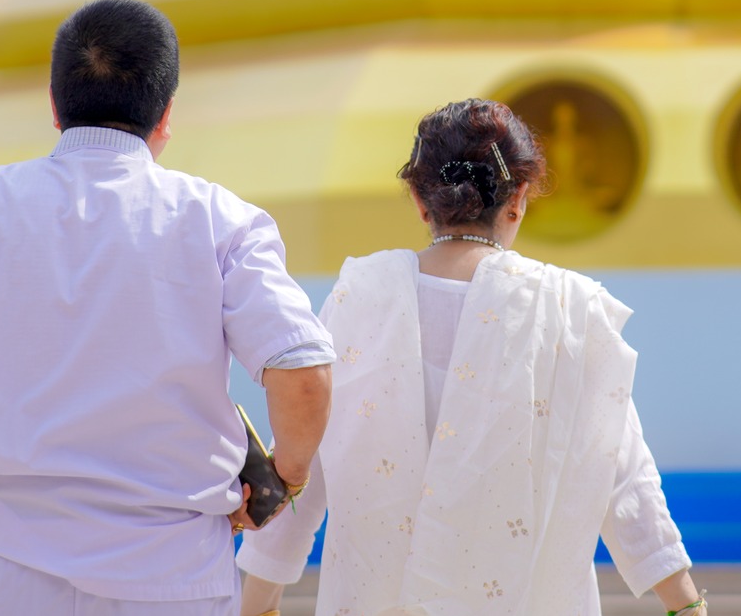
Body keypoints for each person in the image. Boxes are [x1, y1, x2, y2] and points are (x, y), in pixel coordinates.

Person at [0, 0, 335, 616]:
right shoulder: (222, 221)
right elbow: (304, 375)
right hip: (172, 571)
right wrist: (278, 485)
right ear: (167, 113)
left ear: (53, 105)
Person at [236, 98, 706, 616]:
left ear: (419, 199)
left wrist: (258, 603)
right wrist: (685, 607)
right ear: (520, 197)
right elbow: (623, 474)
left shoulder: (361, 295)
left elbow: (306, 461)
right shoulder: (570, 310)